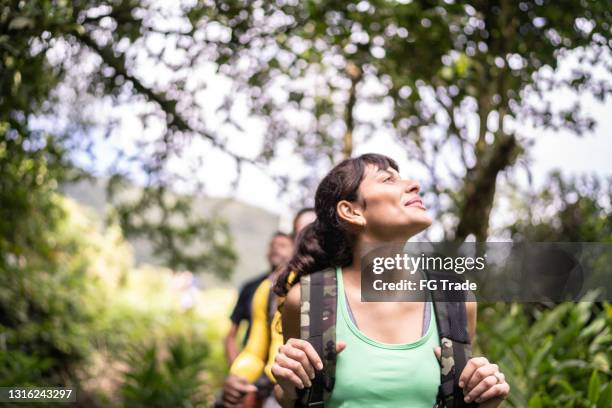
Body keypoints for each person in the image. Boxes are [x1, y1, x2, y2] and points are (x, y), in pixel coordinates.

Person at [272, 154, 510, 407]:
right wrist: (288, 389)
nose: (414, 184)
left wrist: (483, 397)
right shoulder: (309, 301)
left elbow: (458, 399)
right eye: (387, 179)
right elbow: (295, 397)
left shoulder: (454, 300)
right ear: (351, 211)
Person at [222, 209, 316, 408]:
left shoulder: (351, 278)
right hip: (279, 393)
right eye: (303, 231)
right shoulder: (271, 288)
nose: (312, 236)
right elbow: (255, 352)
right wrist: (238, 376)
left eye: (317, 227)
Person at [224, 232, 294, 366]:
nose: (275, 249)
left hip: (282, 366)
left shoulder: (297, 288)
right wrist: (236, 368)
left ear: (295, 250)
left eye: (282, 246)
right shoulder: (251, 287)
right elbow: (231, 335)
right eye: (272, 245)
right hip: (253, 365)